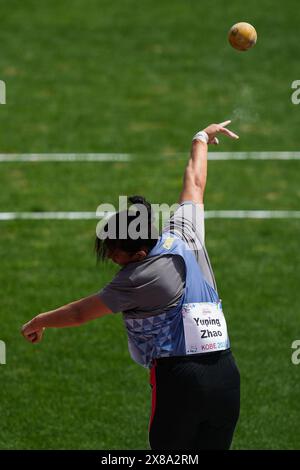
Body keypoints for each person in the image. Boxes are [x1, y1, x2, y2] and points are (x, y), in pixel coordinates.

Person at [21, 121, 240, 450]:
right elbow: (195, 182)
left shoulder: (137, 279)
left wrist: (39, 320)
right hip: (226, 375)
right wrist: (201, 139)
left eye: (114, 253)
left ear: (138, 253)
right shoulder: (181, 232)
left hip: (180, 380)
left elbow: (81, 312)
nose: (110, 257)